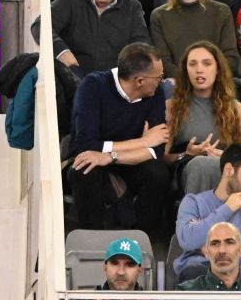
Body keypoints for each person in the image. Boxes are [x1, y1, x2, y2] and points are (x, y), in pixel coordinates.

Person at [67, 43, 171, 232]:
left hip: (124, 161)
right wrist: (142, 142)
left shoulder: (155, 92)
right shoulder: (92, 86)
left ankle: (142, 239)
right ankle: (93, 242)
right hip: (91, 159)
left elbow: (157, 149)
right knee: (84, 169)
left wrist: (110, 156)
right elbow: (85, 145)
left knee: (158, 174)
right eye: (159, 77)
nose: (161, 81)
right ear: (139, 80)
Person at [161, 39, 241, 197]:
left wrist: (225, 157)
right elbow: (162, 157)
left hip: (226, 168)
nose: (199, 70)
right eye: (192, 64)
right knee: (202, 164)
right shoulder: (172, 107)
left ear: (217, 70)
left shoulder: (236, 109)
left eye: (207, 63)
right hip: (187, 168)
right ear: (186, 70)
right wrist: (186, 154)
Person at [175, 144, 241, 277]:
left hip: (240, 278)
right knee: (192, 271)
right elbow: (188, 241)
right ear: (229, 170)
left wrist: (206, 248)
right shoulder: (193, 202)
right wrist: (227, 209)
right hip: (199, 277)